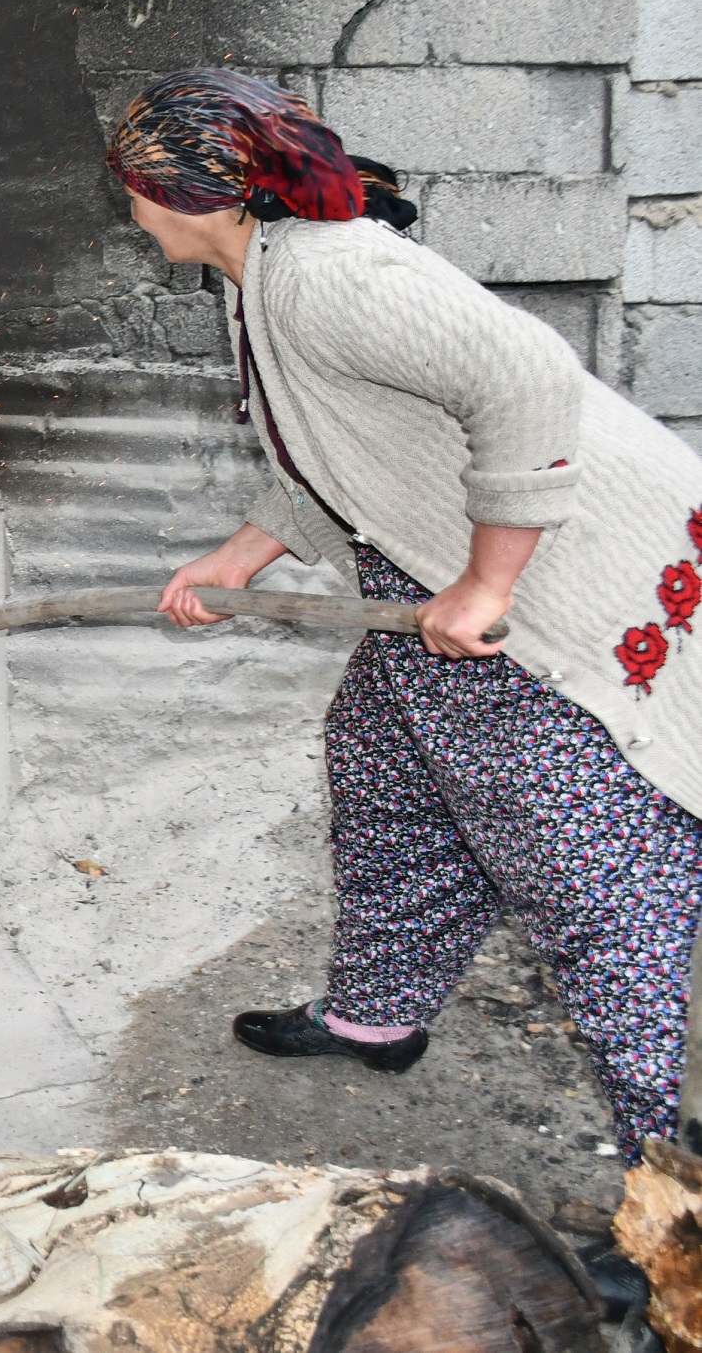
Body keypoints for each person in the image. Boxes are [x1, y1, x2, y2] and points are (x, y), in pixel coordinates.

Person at [112, 69, 702, 1172]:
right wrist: (236, 555)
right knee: (382, 760)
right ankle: (377, 1012)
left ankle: (667, 1180)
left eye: (135, 193)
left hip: (562, 583)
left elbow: (527, 374)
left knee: (589, 875)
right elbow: (338, 452)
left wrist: (484, 585)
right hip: (441, 571)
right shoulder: (263, 271)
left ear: (192, 196)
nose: (131, 215)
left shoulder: (328, 277)